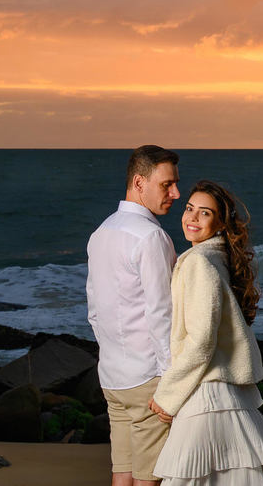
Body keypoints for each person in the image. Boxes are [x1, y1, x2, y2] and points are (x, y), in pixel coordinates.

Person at [149, 180, 263, 486]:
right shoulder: (214, 258)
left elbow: (201, 342)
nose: (191, 218)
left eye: (204, 213)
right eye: (189, 208)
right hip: (219, 392)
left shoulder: (198, 263)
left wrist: (167, 396)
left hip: (205, 395)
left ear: (220, 223)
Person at [87, 145, 181, 486]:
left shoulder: (102, 232)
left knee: (122, 472)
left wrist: (111, 356)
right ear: (139, 182)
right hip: (147, 379)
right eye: (166, 185)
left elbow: (94, 310)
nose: (176, 193)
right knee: (148, 479)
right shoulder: (151, 236)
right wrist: (171, 382)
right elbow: (161, 314)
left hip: (113, 375)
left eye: (175, 184)